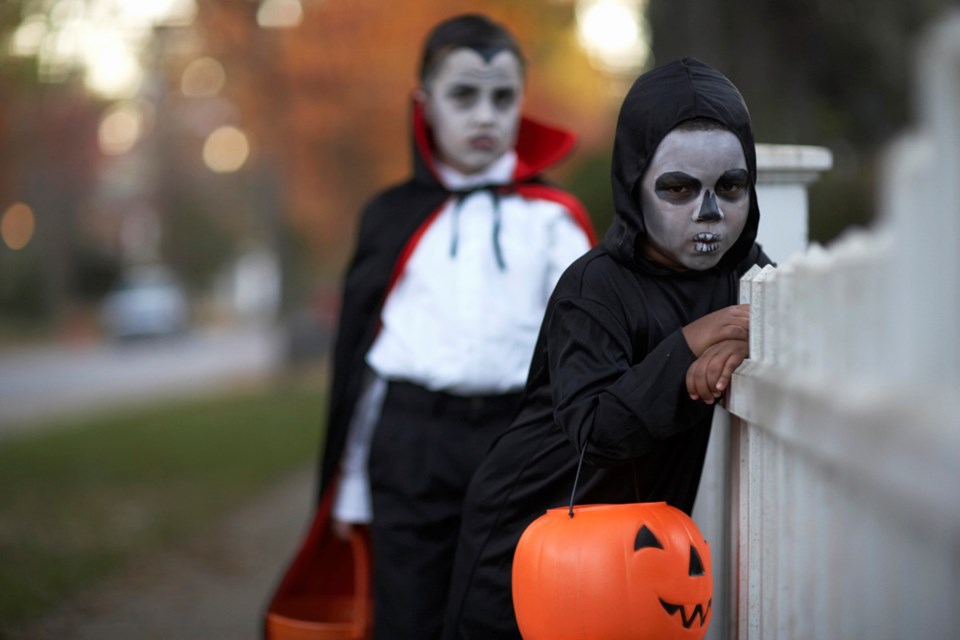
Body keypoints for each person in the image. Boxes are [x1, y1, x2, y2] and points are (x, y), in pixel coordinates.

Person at [441, 57, 773, 639]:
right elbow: (598, 432)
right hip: (532, 540)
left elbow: (782, 321)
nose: (710, 213)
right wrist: (694, 340)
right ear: (633, 182)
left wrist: (745, 336)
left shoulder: (745, 272)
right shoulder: (592, 289)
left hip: (636, 555)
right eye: (678, 188)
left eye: (730, 186)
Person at [317, 14, 595, 640]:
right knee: (407, 617)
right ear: (425, 105)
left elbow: (585, 349)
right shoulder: (391, 218)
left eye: (502, 98)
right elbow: (367, 364)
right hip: (410, 445)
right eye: (463, 95)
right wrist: (351, 484)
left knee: (503, 616)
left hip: (516, 442)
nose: (485, 116)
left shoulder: (553, 222)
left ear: (521, 104)